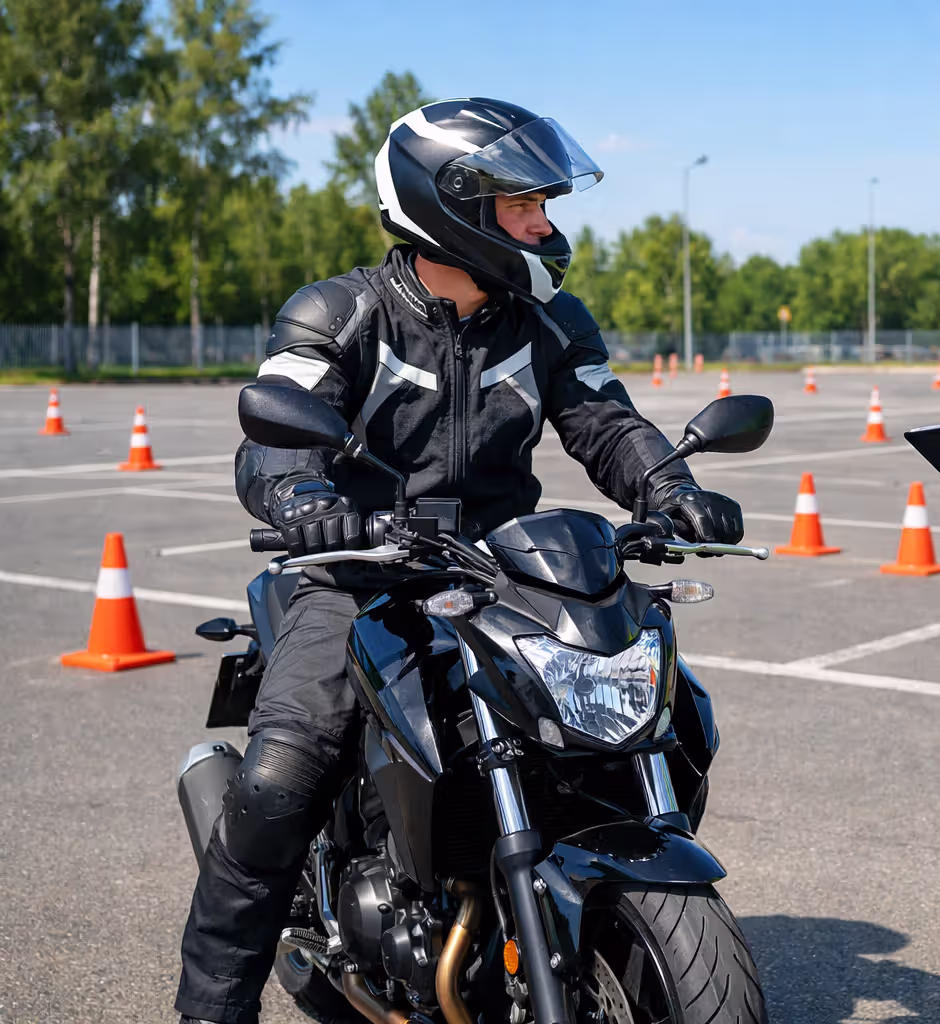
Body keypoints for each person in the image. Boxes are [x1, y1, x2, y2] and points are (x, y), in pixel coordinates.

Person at [175, 98, 744, 1024]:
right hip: (357, 570)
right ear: (455, 205)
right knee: (283, 774)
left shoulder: (549, 320)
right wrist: (301, 498)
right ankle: (212, 1007)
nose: (547, 225)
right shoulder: (341, 312)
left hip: (499, 570)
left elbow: (604, 421)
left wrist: (665, 488)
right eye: (526, 205)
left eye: (545, 205)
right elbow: (272, 429)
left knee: (657, 728)